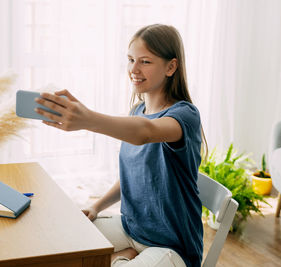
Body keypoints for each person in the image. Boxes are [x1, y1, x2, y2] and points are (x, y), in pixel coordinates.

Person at [34, 24, 207, 267]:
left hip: (171, 245)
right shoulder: (138, 111)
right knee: (61, 242)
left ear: (171, 67)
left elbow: (146, 132)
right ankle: (123, 256)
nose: (134, 69)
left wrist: (88, 120)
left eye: (145, 61)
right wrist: (96, 206)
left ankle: (120, 258)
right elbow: (134, 176)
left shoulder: (185, 115)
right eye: (130, 59)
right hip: (131, 227)